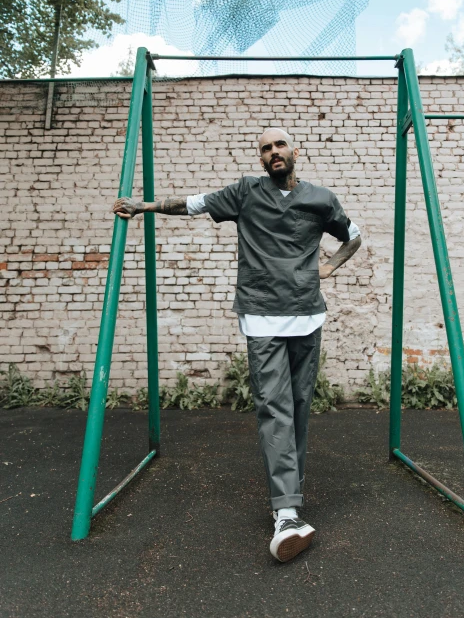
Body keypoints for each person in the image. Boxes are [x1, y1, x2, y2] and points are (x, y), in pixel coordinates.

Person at [114, 127, 361, 562]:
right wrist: (142, 205)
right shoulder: (246, 192)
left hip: (308, 316)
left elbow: (352, 237)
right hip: (262, 316)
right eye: (265, 148)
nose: (273, 152)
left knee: (300, 406)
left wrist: (330, 267)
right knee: (274, 407)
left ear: (295, 151)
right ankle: (286, 512)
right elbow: (191, 204)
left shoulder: (321, 199)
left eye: (280, 145)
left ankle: (291, 496)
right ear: (261, 159)